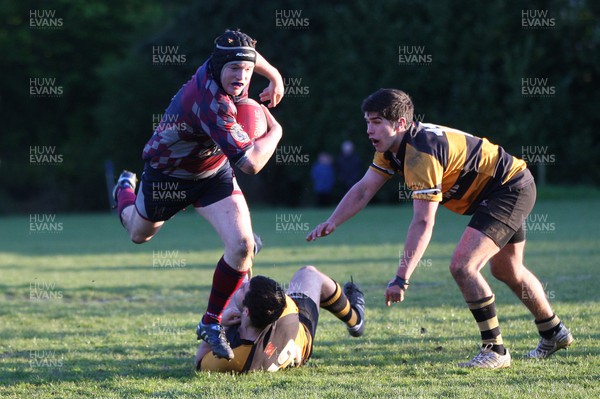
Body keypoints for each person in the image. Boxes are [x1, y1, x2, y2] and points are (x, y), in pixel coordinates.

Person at [306, 88, 573, 369]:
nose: (369, 130)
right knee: (507, 270)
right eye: (367, 122)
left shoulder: (421, 155)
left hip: (508, 189)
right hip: (507, 186)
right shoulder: (391, 148)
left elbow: (423, 221)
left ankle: (495, 350)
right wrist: (333, 220)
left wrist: (401, 278)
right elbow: (363, 190)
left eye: (376, 122)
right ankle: (554, 332)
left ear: (400, 123)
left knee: (463, 266)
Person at [112, 29, 284, 360]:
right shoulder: (214, 103)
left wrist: (273, 76)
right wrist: (276, 131)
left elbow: (248, 57)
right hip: (169, 173)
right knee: (138, 234)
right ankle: (124, 189)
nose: (242, 76)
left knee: (243, 246)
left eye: (246, 70)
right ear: (218, 66)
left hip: (212, 172)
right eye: (235, 69)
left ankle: (211, 322)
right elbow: (250, 164)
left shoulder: (230, 66)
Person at [194, 265, 365, 372]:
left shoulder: (236, 358)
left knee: (230, 296)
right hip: (300, 336)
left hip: (276, 341)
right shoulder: (286, 311)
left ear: (246, 314)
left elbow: (199, 361)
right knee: (309, 273)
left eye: (244, 288)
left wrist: (219, 324)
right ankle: (355, 320)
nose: (244, 285)